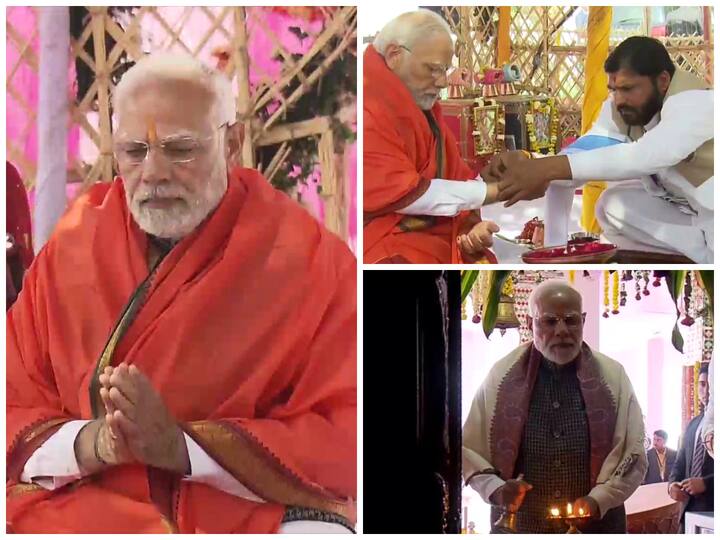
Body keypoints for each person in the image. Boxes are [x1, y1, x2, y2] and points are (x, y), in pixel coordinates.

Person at [7, 53, 356, 534]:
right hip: (85, 497)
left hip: (232, 504)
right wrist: (95, 444)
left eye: (180, 149)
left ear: (231, 143)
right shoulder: (72, 247)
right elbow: (13, 397)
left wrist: (180, 446)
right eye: (134, 151)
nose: (154, 173)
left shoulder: (309, 259)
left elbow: (346, 431)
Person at [488, 36, 713, 263]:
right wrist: (531, 162)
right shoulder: (622, 107)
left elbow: (646, 157)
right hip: (688, 212)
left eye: (627, 88)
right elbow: (582, 155)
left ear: (663, 80)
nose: (618, 100)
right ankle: (702, 252)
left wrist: (545, 168)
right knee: (612, 205)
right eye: (613, 89)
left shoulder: (694, 102)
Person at [462, 280, 647, 533]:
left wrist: (598, 500)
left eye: (570, 320)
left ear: (583, 320)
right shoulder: (500, 377)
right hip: (522, 527)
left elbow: (633, 454)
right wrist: (496, 489)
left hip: (598, 526)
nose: (561, 330)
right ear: (530, 324)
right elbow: (469, 450)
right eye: (549, 321)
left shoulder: (613, 378)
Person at [364, 9, 500, 264]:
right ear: (395, 55)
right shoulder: (365, 106)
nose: (442, 82)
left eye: (445, 70)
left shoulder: (422, 108)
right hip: (381, 242)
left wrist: (469, 234)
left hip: (431, 237)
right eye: (433, 69)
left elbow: (456, 177)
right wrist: (491, 191)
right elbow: (402, 192)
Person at [668, 363, 714, 525]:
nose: (707, 390)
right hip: (688, 510)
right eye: (702, 384)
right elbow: (680, 461)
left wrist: (706, 484)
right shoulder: (693, 423)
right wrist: (672, 484)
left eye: (711, 384)